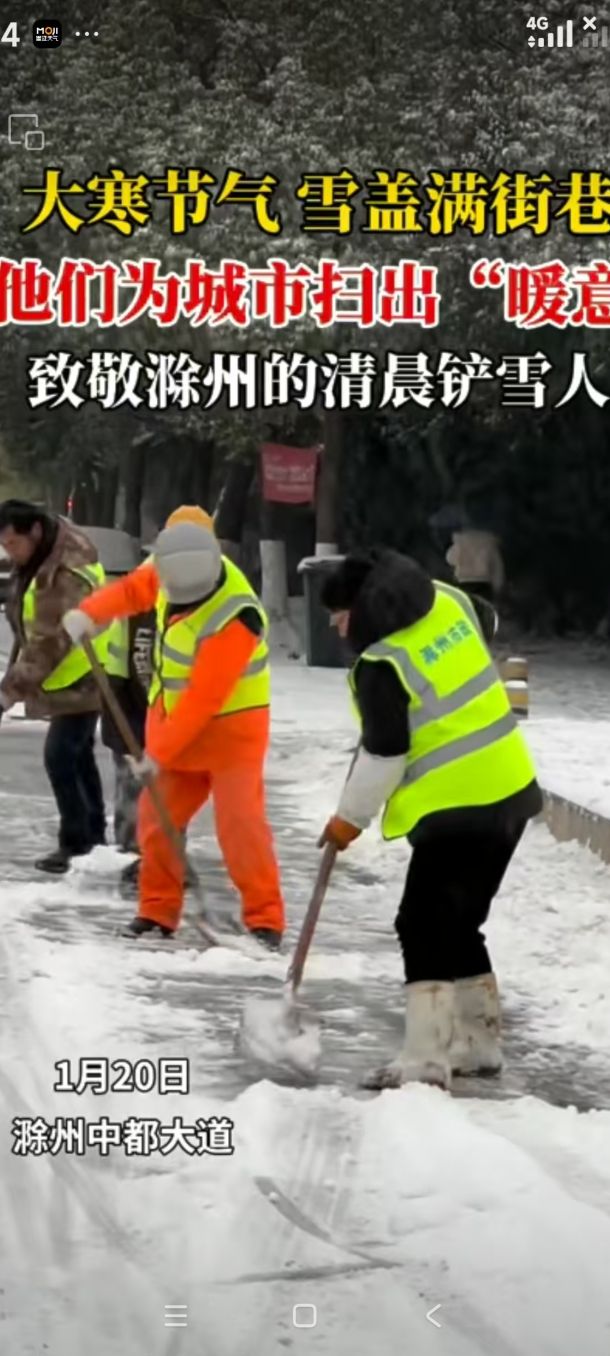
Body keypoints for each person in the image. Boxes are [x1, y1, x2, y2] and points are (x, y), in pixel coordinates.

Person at [317, 547, 542, 1091]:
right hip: (511, 789)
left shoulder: (383, 665)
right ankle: (479, 1046)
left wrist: (348, 820)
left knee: (419, 923)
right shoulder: (447, 601)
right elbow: (484, 624)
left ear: (363, 608)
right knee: (459, 922)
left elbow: (384, 757)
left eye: (339, 616)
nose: (336, 627)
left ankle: (424, 1060)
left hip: (457, 806)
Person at [62, 506, 286, 948]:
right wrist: (90, 612)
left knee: (240, 827)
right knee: (155, 820)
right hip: (172, 718)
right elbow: (132, 591)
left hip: (232, 731)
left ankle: (265, 920)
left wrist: (157, 754)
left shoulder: (237, 616)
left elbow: (205, 698)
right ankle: (157, 911)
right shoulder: (168, 569)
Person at [0, 499, 108, 873]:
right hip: (69, 671)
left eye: (13, 544)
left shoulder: (65, 572)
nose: (10, 553)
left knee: (60, 755)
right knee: (78, 756)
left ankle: (77, 843)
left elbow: (48, 644)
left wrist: (7, 694)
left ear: (35, 531)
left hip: (84, 671)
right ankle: (93, 839)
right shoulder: (44, 549)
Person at [445, 526, 504, 604]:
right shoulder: (490, 544)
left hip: (463, 581)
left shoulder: (460, 542)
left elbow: (450, 559)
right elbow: (497, 569)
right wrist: (498, 590)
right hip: (483, 583)